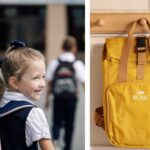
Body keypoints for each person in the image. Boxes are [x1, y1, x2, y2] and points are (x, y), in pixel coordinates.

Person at [0, 40, 54, 150]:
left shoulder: (2, 104)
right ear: (14, 82)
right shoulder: (33, 114)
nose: (43, 84)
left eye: (43, 76)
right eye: (36, 78)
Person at [45, 36, 85, 150]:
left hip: (58, 97)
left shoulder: (54, 62)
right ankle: (67, 147)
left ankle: (56, 142)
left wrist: (47, 99)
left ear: (62, 47)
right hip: (72, 98)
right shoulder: (77, 64)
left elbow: (49, 82)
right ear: (74, 48)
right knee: (70, 125)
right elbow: (83, 82)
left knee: (56, 122)